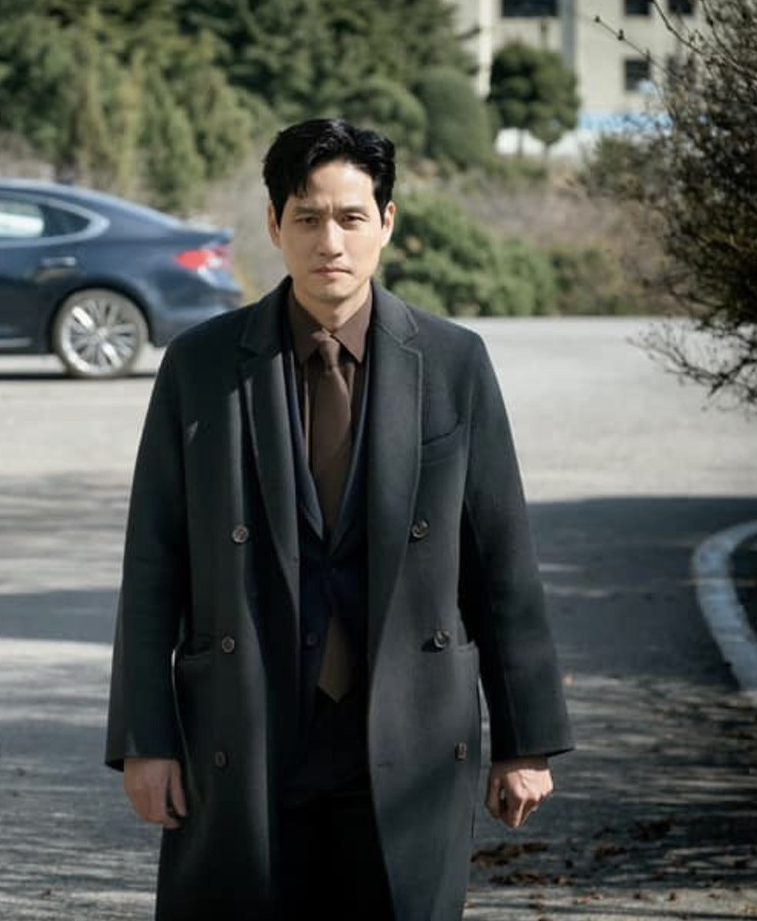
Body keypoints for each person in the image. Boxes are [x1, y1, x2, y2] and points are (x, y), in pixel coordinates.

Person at [105, 118, 573, 920]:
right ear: (274, 224)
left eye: (352, 217)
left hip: (410, 733)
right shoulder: (202, 366)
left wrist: (525, 739)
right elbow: (155, 562)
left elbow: (500, 561)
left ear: (386, 223)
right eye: (309, 217)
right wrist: (146, 741)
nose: (331, 241)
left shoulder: (453, 363)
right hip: (248, 730)